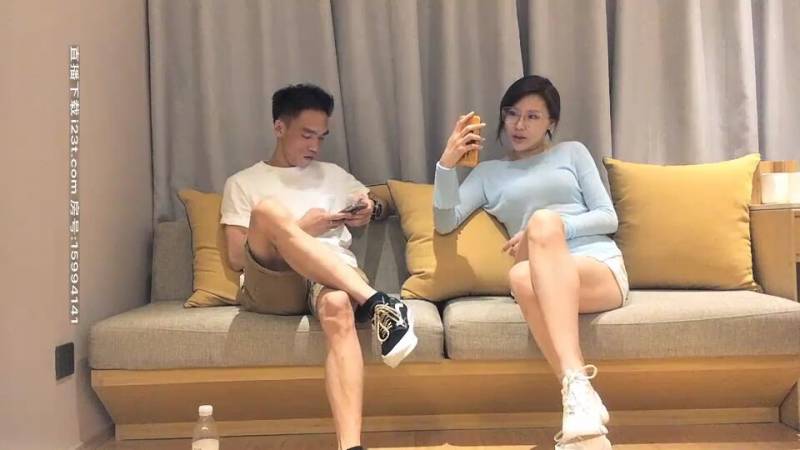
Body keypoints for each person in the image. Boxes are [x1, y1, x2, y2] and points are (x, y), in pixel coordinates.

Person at [433, 75, 627, 450]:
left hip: (596, 266)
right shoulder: (488, 173)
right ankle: (581, 408)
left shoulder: (572, 153)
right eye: (512, 114)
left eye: (533, 116)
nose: (519, 125)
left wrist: (550, 229)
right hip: (538, 274)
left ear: (552, 122)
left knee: (541, 226)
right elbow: (445, 222)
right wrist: (446, 165)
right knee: (520, 277)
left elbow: (608, 217)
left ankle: (577, 389)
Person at [221, 83, 418, 450]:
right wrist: (300, 230)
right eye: (306, 135)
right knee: (267, 211)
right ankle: (379, 302)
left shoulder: (333, 175)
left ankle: (350, 446)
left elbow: (382, 202)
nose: (314, 146)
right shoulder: (243, 182)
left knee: (339, 304)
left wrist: (369, 208)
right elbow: (235, 257)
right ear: (279, 127)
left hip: (331, 272)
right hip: (274, 278)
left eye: (321, 137)